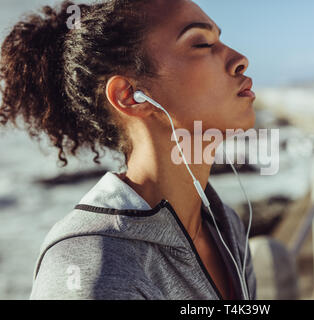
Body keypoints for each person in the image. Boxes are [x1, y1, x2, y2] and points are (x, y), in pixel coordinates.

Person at [0, 0, 257, 300]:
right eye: (201, 43)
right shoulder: (92, 268)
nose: (240, 60)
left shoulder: (226, 227)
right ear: (129, 96)